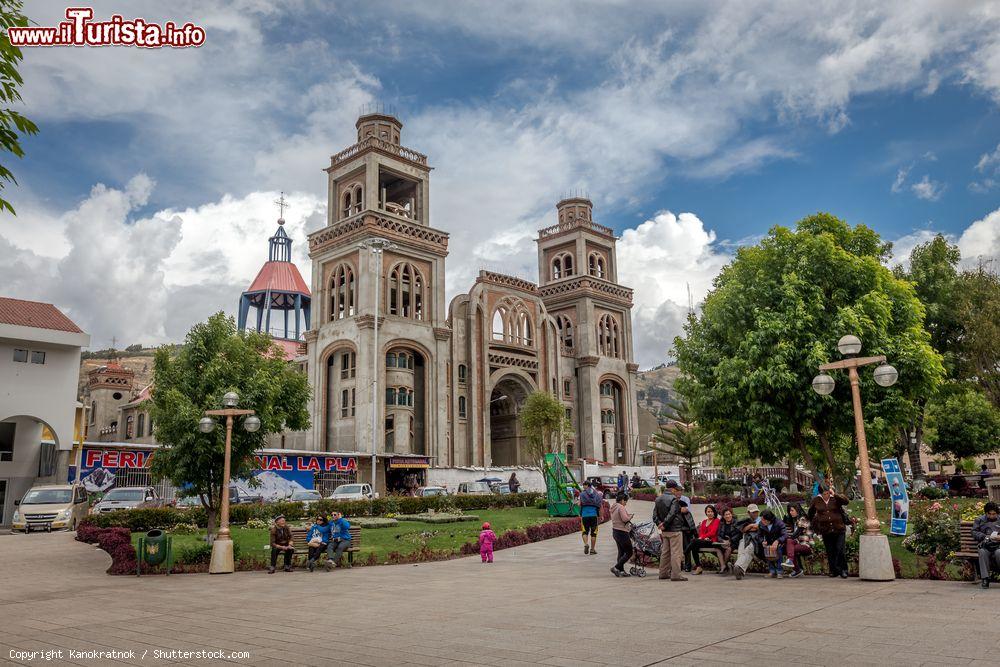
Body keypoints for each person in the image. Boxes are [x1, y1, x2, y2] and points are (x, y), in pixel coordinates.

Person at [808, 483, 850, 579]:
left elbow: (846, 501)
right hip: (825, 530)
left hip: (839, 528)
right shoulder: (816, 500)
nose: (826, 495)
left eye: (827, 493)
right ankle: (833, 570)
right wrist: (816, 522)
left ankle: (843, 570)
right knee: (830, 551)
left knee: (840, 550)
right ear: (820, 494)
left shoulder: (835, 498)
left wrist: (834, 494)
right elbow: (810, 513)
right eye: (824, 494)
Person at [652, 480, 687, 581]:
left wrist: (659, 523)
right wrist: (665, 523)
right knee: (676, 553)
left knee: (665, 552)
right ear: (673, 488)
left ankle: (663, 573)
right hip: (674, 529)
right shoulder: (674, 499)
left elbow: (654, 515)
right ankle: (676, 575)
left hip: (665, 531)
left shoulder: (658, 499)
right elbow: (672, 513)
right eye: (675, 489)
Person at [781, 503, 814, 578]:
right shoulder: (793, 520)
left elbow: (797, 533)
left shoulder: (803, 518)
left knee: (789, 547)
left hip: (806, 544)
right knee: (789, 546)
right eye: (789, 511)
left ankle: (796, 568)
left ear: (797, 510)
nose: (790, 512)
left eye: (792, 510)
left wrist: (787, 539)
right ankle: (797, 569)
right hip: (797, 543)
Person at [686, 504, 721, 575]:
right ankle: (699, 567)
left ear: (714, 512)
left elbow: (713, 532)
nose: (710, 513)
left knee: (694, 541)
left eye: (711, 511)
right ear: (706, 513)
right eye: (708, 512)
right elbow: (701, 533)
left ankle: (685, 552)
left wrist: (703, 537)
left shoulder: (716, 521)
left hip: (712, 541)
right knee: (694, 547)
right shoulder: (704, 521)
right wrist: (703, 537)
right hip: (704, 541)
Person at [972, 502, 1000, 588]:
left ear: (997, 513)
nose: (992, 516)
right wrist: (984, 536)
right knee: (982, 552)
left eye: (994, 514)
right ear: (986, 513)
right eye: (989, 514)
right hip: (985, 545)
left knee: (999, 553)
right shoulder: (979, 520)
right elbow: (974, 532)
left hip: (998, 546)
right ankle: (985, 578)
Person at [733, 503, 762, 580]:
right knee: (742, 545)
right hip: (746, 539)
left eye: (756, 511)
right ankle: (739, 568)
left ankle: (738, 567)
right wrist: (750, 526)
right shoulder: (746, 520)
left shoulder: (760, 519)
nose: (755, 513)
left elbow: (757, 527)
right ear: (748, 513)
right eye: (753, 512)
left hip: (756, 541)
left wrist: (749, 527)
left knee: (750, 548)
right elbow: (743, 530)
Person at [610, 491, 635, 577]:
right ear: (622, 500)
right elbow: (624, 519)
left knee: (621, 552)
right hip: (622, 532)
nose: (626, 504)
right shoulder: (621, 507)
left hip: (615, 531)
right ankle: (616, 567)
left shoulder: (614, 506)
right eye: (625, 501)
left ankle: (621, 571)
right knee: (629, 552)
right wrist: (630, 516)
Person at [758, 510, 787, 578]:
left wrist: (778, 541)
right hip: (768, 543)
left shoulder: (779, 523)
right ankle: (772, 571)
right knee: (767, 549)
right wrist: (762, 541)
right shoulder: (761, 524)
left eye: (764, 520)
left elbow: (785, 535)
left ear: (769, 519)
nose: (762, 521)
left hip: (780, 543)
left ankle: (780, 571)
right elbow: (759, 536)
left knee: (778, 549)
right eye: (761, 519)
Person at [578, 480, 603, 555]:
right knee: (593, 533)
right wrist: (601, 516)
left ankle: (586, 544)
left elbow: (579, 504)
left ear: (586, 485)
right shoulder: (596, 493)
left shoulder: (582, 494)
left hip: (585, 515)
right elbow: (600, 505)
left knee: (585, 531)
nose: (583, 487)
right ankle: (592, 550)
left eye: (583, 485)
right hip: (594, 515)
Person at [717, 507, 741, 575]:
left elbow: (739, 534)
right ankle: (724, 566)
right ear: (723, 516)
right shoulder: (721, 523)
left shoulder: (736, 522)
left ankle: (723, 567)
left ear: (731, 514)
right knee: (717, 549)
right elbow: (718, 535)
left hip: (733, 542)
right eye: (726, 515)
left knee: (728, 549)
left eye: (729, 514)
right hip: (723, 542)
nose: (728, 516)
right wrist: (722, 541)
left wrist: (730, 541)